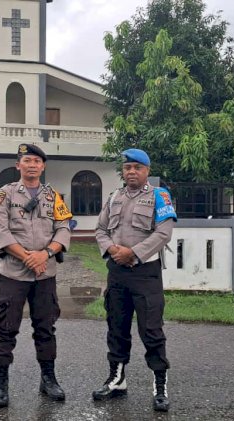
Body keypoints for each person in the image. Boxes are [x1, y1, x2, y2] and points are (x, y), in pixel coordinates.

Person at [92, 148, 177, 412]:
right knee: (116, 326)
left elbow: (164, 233)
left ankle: (160, 385)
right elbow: (101, 229)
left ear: (147, 171)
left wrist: (135, 254)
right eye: (127, 167)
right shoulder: (114, 196)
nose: (131, 172)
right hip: (117, 272)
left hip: (145, 274)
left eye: (137, 168)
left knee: (151, 330)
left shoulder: (159, 196)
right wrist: (112, 250)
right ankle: (117, 380)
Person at [0, 143, 72, 408]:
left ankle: (48, 379)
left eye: (37, 161)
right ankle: (0, 383)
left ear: (43, 166)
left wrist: (45, 254)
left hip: (45, 274)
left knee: (46, 328)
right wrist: (28, 257)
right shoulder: (6, 194)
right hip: (14, 274)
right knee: (6, 328)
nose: (32, 165)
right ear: (19, 166)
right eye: (27, 161)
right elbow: (1, 233)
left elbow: (63, 229)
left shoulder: (53, 196)